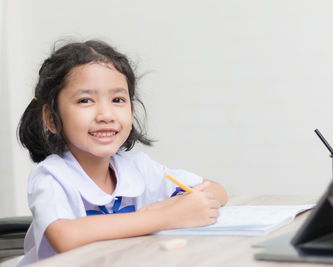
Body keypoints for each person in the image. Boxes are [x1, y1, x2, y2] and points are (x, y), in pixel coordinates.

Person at [16, 40, 228, 266]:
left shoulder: (137, 167)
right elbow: (66, 237)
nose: (106, 114)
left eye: (118, 100)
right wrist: (166, 216)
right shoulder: (51, 176)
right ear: (51, 118)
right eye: (85, 100)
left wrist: (177, 205)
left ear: (132, 110)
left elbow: (217, 190)